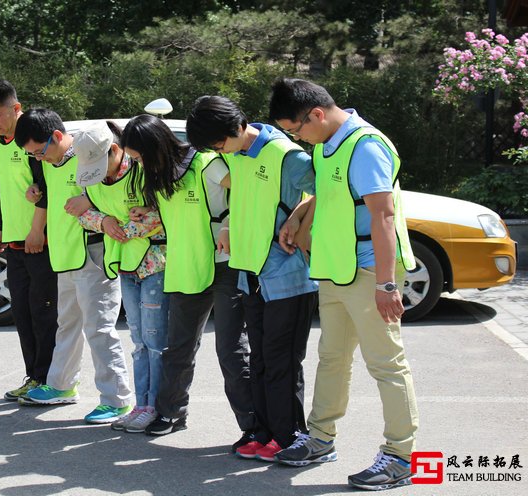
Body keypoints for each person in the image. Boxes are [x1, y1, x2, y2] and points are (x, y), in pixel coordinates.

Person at [268, 78, 418, 491]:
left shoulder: (365, 145)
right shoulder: (326, 143)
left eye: (296, 131)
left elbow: (383, 215)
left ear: (316, 114)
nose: (296, 138)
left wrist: (387, 284)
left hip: (370, 272)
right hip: (335, 269)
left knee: (386, 364)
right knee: (332, 357)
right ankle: (320, 438)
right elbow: (328, 193)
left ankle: (401, 457)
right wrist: (298, 216)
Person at [186, 95, 318, 462]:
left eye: (217, 143)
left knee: (282, 361)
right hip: (250, 272)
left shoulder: (285, 155)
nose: (217, 150)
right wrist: (228, 224)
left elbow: (331, 190)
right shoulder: (236, 155)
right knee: (259, 358)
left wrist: (298, 216)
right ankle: (263, 431)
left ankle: (290, 435)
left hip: (288, 276)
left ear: (237, 127)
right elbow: (244, 201)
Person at [120, 114, 254, 444]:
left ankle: (255, 427)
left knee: (232, 352)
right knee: (177, 348)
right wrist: (148, 214)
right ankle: (171, 412)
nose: (137, 165)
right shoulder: (160, 175)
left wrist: (229, 226)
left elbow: (248, 194)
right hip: (183, 267)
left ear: (156, 147)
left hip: (224, 266)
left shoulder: (207, 163)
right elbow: (175, 215)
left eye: (139, 157)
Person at [13, 109, 133, 424]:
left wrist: (91, 206)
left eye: (40, 151)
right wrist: (36, 193)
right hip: (65, 257)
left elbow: (114, 198)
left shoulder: (90, 153)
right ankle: (61, 385)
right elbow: (51, 197)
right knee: (66, 323)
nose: (38, 159)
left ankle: (116, 399)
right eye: (32, 155)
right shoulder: (49, 163)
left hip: (93, 253)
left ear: (56, 136)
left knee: (99, 329)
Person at [65, 120, 169, 434]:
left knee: (155, 343)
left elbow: (164, 216)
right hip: (123, 265)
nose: (103, 174)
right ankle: (141, 405)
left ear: (115, 150)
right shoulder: (90, 179)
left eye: (103, 164)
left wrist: (128, 225)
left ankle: (161, 409)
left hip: (154, 265)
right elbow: (83, 215)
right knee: (138, 342)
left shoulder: (143, 171)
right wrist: (106, 220)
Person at [0, 77, 57, 401]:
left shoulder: (34, 140)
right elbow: (5, 189)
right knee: (23, 313)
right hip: (15, 240)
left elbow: (47, 188)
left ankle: (51, 380)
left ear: (16, 108)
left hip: (43, 242)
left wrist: (38, 230)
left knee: (45, 313)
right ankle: (33, 377)